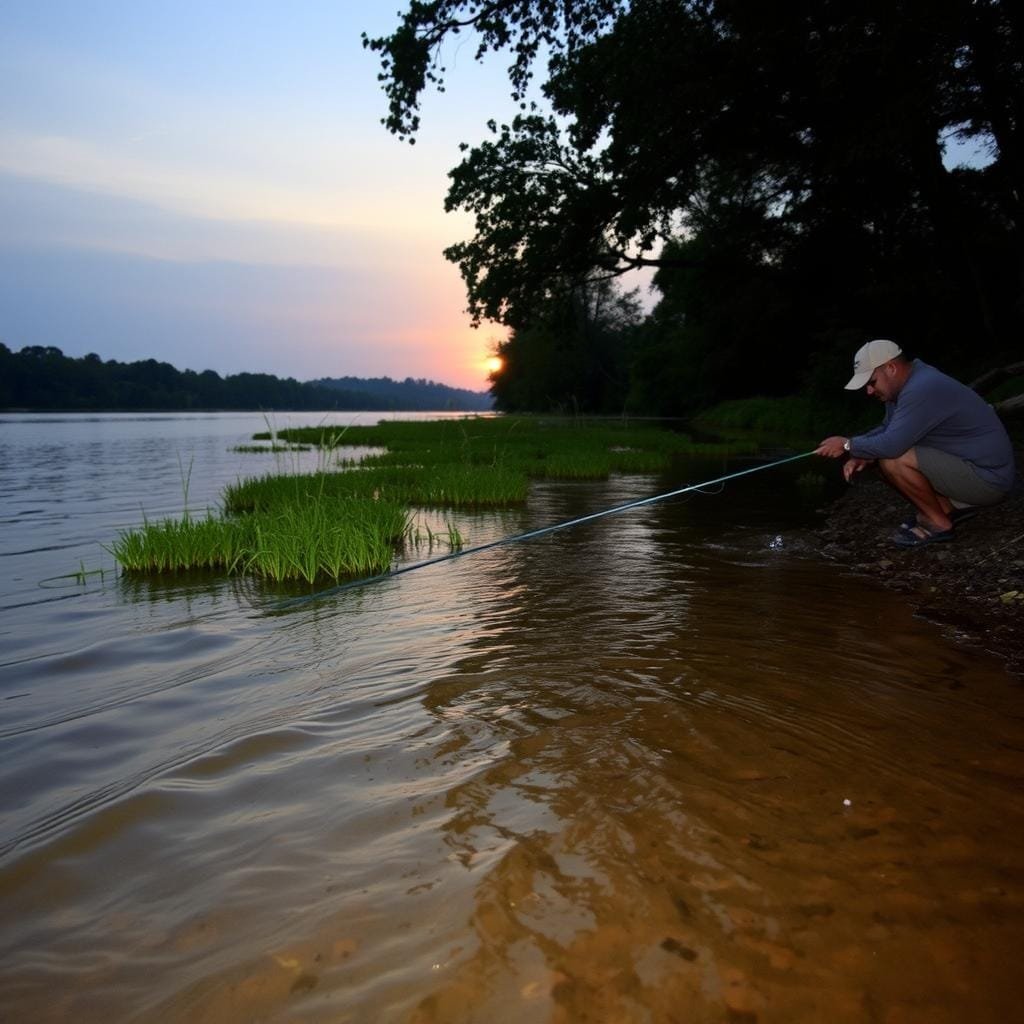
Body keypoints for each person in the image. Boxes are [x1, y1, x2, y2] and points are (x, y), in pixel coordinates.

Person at [816, 339, 1016, 547]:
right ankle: (944, 508)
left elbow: (891, 445)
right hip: (968, 468)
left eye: (871, 382)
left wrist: (848, 445)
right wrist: (860, 449)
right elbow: (886, 429)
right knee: (874, 453)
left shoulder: (923, 387)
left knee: (893, 458)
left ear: (891, 368)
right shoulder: (902, 389)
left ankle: (939, 523)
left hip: (990, 479)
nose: (868, 391)